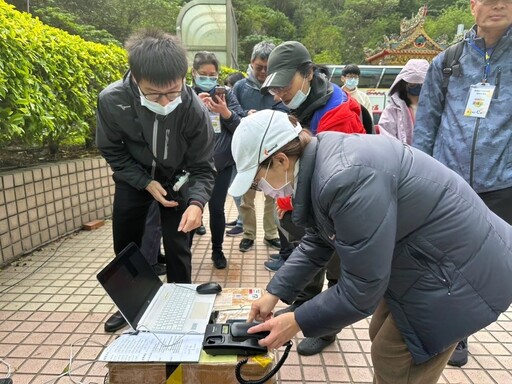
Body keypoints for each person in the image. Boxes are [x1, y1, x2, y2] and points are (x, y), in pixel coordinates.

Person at [228, 109, 512, 384]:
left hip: (460, 270)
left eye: (257, 182)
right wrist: (274, 293)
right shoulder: (322, 158)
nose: (262, 189)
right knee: (381, 336)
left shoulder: (344, 178)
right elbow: (319, 239)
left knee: (396, 356)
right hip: (428, 258)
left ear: (280, 160)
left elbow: (361, 290)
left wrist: (296, 320)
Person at [413, 0, 512, 367]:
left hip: (503, 184)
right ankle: (456, 333)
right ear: (473, 6)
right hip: (449, 182)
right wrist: (420, 175)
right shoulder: (449, 60)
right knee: (443, 259)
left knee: (488, 263)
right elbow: (426, 123)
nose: (498, 5)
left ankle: (466, 322)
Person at [96, 29, 216, 332]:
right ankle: (131, 306)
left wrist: (197, 203)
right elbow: (112, 150)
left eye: (172, 91)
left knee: (178, 247)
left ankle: (179, 306)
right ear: (136, 78)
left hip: (175, 180)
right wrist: (143, 182)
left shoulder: (193, 108)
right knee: (127, 246)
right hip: (133, 180)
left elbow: (203, 167)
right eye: (154, 93)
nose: (164, 102)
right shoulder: (113, 101)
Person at [259, 40, 368, 355]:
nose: (279, 95)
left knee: (335, 265)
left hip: (338, 209)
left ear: (307, 73)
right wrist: (285, 203)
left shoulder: (340, 113)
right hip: (309, 205)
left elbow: (339, 180)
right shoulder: (300, 106)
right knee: (308, 257)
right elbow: (292, 161)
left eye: (284, 86)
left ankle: (326, 328)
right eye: (274, 89)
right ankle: (304, 308)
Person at [190, 51, 244, 269]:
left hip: (221, 163)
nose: (208, 79)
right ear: (194, 73)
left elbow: (241, 126)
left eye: (212, 75)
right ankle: (185, 251)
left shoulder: (227, 95)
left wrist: (225, 112)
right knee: (191, 207)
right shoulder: (186, 95)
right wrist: (196, 109)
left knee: (217, 208)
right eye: (203, 74)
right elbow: (177, 130)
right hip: (193, 165)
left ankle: (217, 250)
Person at [232, 41, 286, 253]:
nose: (263, 72)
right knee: (247, 198)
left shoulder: (279, 88)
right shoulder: (240, 87)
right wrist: (246, 116)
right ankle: (248, 233)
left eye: (267, 68)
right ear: (251, 64)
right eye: (259, 67)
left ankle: (271, 233)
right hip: (248, 155)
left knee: (272, 197)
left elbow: (286, 115)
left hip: (272, 154)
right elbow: (230, 114)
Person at [378, 59, 429, 144]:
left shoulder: (436, 109)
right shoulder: (392, 110)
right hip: (402, 155)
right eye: (413, 83)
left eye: (421, 84)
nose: (418, 87)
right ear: (404, 84)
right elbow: (387, 138)